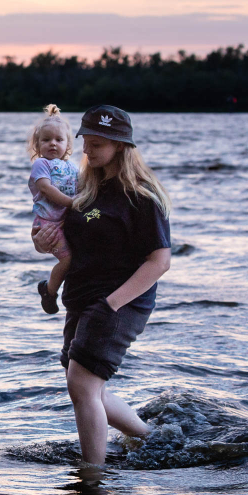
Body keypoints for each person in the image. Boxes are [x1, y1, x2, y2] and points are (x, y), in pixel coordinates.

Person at [32, 105, 172, 467]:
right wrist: (43, 242)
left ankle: (92, 477)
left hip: (118, 299)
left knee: (81, 384)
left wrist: (112, 303)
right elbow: (77, 229)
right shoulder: (87, 190)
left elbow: (159, 261)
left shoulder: (140, 197)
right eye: (85, 143)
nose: (88, 151)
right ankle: (151, 439)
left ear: (121, 147)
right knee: (85, 386)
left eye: (97, 145)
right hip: (80, 295)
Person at [27, 104, 78, 314]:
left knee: (73, 255)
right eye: (46, 140)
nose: (53, 144)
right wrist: (72, 204)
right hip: (48, 222)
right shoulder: (41, 165)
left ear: (68, 144)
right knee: (67, 259)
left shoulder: (73, 168)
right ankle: (49, 291)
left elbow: (83, 188)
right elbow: (46, 189)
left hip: (65, 220)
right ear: (37, 145)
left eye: (59, 140)